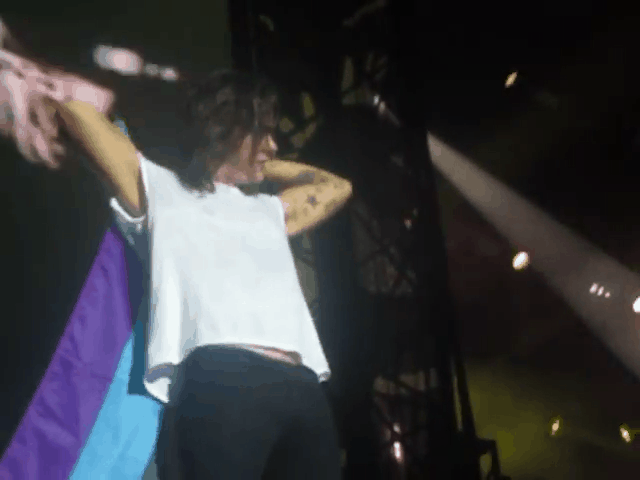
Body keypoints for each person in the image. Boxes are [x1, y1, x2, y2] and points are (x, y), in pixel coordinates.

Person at [2, 35, 350, 479]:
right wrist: (209, 143)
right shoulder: (158, 188)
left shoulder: (267, 209)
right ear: (228, 128)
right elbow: (79, 112)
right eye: (262, 132)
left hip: (302, 385)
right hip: (223, 380)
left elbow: (336, 186)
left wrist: (253, 163)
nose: (274, 146)